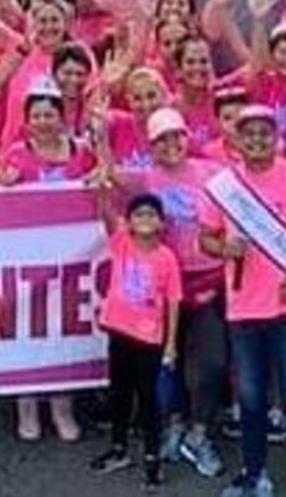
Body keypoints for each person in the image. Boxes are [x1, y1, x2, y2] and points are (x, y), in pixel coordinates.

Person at [200, 100, 286, 497]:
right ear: (237, 140)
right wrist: (224, 248)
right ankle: (253, 472)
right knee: (250, 397)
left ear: (276, 137)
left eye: (265, 132)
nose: (257, 140)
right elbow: (204, 238)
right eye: (249, 134)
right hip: (243, 308)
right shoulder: (225, 187)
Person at [88, 182, 183, 484]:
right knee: (119, 394)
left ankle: (153, 459)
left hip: (150, 340)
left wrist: (170, 344)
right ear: (128, 222)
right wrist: (103, 191)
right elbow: (105, 212)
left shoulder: (167, 258)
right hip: (120, 333)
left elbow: (174, 301)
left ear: (161, 223)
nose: (144, 219)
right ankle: (119, 448)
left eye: (151, 214)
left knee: (149, 400)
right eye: (138, 214)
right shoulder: (121, 243)